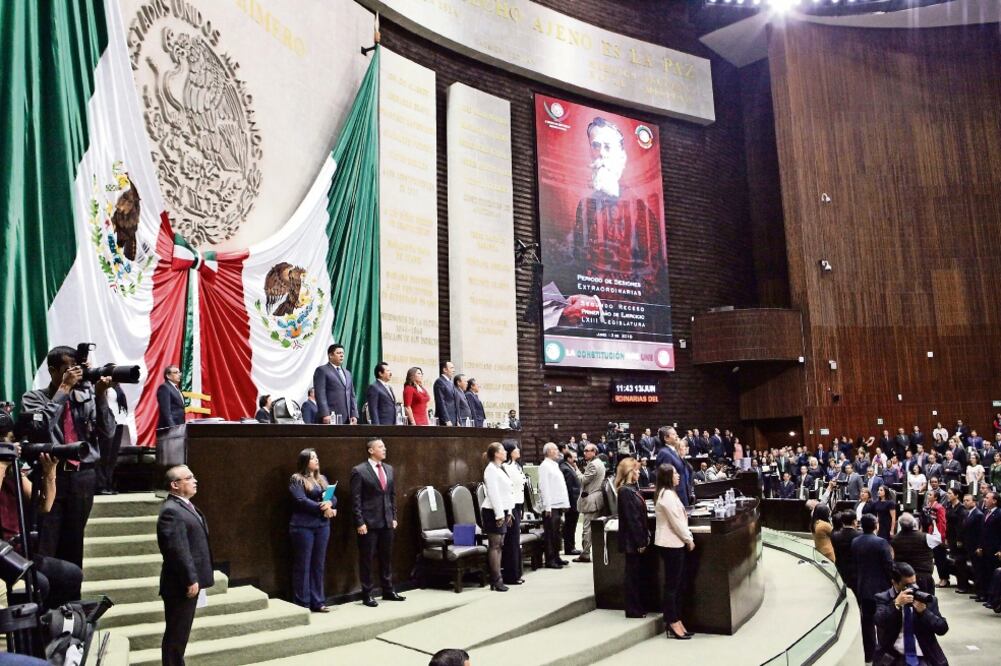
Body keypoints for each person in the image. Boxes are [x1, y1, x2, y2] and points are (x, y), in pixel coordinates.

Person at [21, 345, 114, 569]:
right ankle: (44, 599)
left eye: (77, 368)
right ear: (53, 370)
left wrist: (100, 396)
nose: (75, 373)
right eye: (68, 368)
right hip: (50, 474)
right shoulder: (34, 398)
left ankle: (71, 601)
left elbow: (108, 432)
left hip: (83, 476)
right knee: (46, 540)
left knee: (74, 542)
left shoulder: (87, 396)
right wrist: (64, 389)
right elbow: (40, 428)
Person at [0, 448, 82, 609]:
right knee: (40, 584)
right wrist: (1, 465)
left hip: (16, 552)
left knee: (71, 575)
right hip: (2, 556)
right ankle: (24, 630)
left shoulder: (13, 472)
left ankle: (47, 625)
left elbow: (44, 506)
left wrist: (50, 471)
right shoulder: (3, 468)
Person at [157, 465, 214, 666]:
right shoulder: (171, 512)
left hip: (187, 582)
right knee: (176, 637)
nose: (195, 480)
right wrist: (190, 578)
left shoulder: (185, 506)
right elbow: (176, 550)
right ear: (175, 485)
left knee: (180, 636)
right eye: (189, 478)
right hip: (179, 584)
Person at [350, 438, 404, 606]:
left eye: (384, 446)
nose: (384, 449)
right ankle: (367, 594)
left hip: (387, 521)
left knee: (386, 558)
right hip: (368, 523)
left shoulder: (389, 469)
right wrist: (360, 522)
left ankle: (388, 590)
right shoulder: (359, 471)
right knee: (367, 559)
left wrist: (394, 517)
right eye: (380, 446)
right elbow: (356, 500)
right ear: (371, 450)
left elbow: (392, 495)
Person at [873, 562, 950, 666]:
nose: (912, 588)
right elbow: (879, 620)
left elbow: (942, 629)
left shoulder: (926, 599)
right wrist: (896, 604)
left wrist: (924, 612)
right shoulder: (883, 598)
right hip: (894, 656)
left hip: (923, 654)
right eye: (907, 585)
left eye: (914, 583)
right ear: (895, 583)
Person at [288, 449, 335, 612]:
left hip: (322, 526)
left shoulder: (322, 478)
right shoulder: (296, 479)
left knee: (318, 564)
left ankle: (318, 601)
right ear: (304, 461)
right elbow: (300, 500)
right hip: (302, 527)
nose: (316, 460)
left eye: (316, 457)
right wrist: (322, 508)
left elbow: (332, 496)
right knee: (303, 565)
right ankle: (302, 603)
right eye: (312, 458)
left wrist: (330, 504)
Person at [654, 463, 694, 640]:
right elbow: (676, 522)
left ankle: (677, 619)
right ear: (667, 477)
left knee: (676, 585)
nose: (678, 476)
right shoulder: (668, 495)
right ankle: (672, 621)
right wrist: (688, 539)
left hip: (672, 543)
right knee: (672, 586)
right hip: (671, 544)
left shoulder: (667, 493)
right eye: (675, 473)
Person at [852, 513, 894, 664]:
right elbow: (889, 566)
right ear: (876, 525)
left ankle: (869, 654)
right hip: (881, 589)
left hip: (863, 588)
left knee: (867, 622)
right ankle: (883, 656)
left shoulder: (855, 541)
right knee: (883, 623)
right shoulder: (881, 542)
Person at [616, 458, 649, 618]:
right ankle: (633, 609)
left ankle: (638, 606)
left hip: (634, 539)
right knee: (632, 576)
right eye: (636, 470)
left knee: (637, 575)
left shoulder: (631, 489)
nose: (639, 472)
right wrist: (640, 541)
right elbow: (632, 519)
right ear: (629, 472)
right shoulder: (625, 491)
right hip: (632, 541)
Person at [481, 442, 513, 591]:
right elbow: (493, 493)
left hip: (502, 511)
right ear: (496, 454)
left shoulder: (500, 468)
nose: (506, 452)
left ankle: (497, 578)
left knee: (500, 545)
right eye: (503, 450)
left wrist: (509, 512)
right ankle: (496, 580)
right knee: (495, 546)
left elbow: (507, 492)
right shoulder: (490, 470)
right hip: (492, 511)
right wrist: (499, 515)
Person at [538, 442, 570, 568]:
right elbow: (544, 487)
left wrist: (565, 503)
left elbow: (560, 486)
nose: (558, 452)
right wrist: (547, 506)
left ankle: (556, 556)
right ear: (549, 451)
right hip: (550, 506)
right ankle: (550, 559)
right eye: (556, 450)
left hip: (558, 503)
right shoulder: (544, 466)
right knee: (550, 533)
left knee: (557, 533)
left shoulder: (554, 465)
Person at [574, 443, 606, 564]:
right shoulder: (599, 463)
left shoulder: (593, 464)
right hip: (597, 500)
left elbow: (583, 480)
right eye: (585, 450)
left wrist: (576, 469)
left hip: (591, 501)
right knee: (594, 529)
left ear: (594, 452)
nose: (585, 453)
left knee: (587, 529)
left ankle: (585, 554)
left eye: (588, 451)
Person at [313, 343, 359, 425]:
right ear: (330, 355)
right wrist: (325, 414)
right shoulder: (322, 370)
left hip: (347, 418)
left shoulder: (347, 373)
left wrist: (354, 414)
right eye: (338, 353)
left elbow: (352, 395)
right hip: (330, 417)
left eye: (343, 353)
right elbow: (320, 394)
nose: (342, 355)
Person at [502, 445, 528, 585]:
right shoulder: (506, 467)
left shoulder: (517, 465)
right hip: (511, 506)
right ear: (510, 452)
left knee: (516, 540)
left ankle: (517, 572)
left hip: (518, 504)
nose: (519, 450)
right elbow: (508, 490)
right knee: (511, 541)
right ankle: (511, 575)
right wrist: (510, 511)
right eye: (516, 449)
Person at [893, 513, 936, 594]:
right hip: (924, 576)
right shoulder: (925, 537)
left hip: (904, 578)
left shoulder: (895, 540)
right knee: (927, 603)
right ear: (914, 524)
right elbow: (938, 539)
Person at [974, 491, 1001, 602]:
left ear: (994, 501)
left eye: (987, 498)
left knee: (992, 573)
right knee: (984, 572)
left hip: (994, 549)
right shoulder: (986, 512)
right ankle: (984, 595)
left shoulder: (999, 513)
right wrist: (980, 546)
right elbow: (982, 532)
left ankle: (992, 599)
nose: (984, 499)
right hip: (985, 548)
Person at [654, 427, 692, 506]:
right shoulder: (664, 453)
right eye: (674, 434)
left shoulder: (673, 451)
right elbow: (666, 480)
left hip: (682, 494)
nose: (677, 435)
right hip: (675, 498)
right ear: (666, 438)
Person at [955, 494, 982, 595]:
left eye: (967, 500)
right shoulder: (967, 513)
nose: (965, 502)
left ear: (974, 502)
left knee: (977, 569)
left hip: (975, 546)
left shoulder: (978, 514)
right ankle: (966, 585)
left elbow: (980, 533)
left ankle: (979, 591)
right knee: (960, 562)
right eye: (964, 500)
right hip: (967, 545)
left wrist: (979, 546)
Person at [830, 511, 862, 593]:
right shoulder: (859, 535)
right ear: (854, 521)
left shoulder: (835, 535)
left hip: (840, 567)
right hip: (855, 570)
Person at [365, 362, 397, 426]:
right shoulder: (374, 387)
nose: (390, 373)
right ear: (380, 373)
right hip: (382, 425)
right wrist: (377, 428)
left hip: (392, 424)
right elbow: (373, 409)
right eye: (388, 371)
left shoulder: (389, 387)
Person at [433, 361, 458, 426]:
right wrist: (446, 419)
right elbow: (441, 402)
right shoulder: (440, 382)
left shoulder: (450, 382)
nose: (454, 370)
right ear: (445, 370)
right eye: (452, 368)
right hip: (445, 421)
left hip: (453, 419)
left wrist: (457, 419)